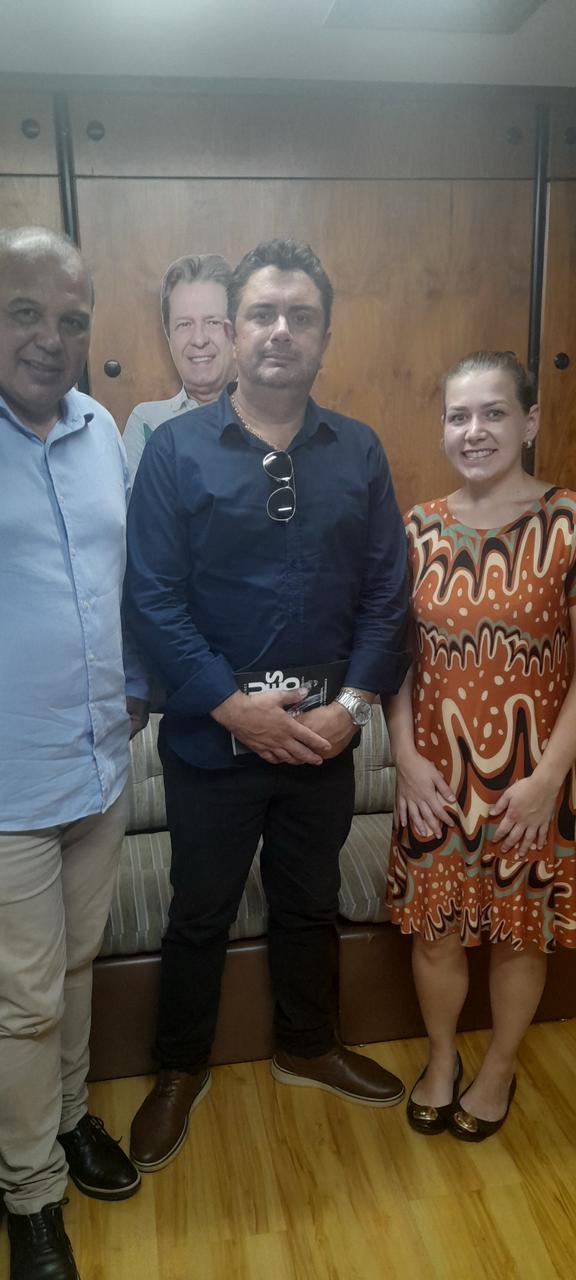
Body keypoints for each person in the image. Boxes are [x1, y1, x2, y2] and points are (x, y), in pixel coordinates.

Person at [123, 238, 411, 1173]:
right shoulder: (174, 452)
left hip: (325, 741)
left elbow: (387, 594)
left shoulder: (359, 450)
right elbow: (152, 598)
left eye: (301, 315)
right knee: (199, 910)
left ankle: (308, 1044)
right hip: (212, 745)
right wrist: (229, 707)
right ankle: (179, 1069)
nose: (280, 330)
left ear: (324, 335)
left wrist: (352, 708)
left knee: (308, 901)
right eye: (262, 313)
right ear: (235, 330)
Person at [0, 227, 148, 1280]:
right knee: (27, 1000)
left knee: (80, 964)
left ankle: (65, 1118)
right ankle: (30, 1191)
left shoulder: (101, 431)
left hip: (100, 765)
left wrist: (135, 684)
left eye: (71, 320)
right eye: (25, 313)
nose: (50, 339)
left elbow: (126, 574)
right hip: (7, 787)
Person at [386, 350, 576, 1142]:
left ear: (529, 422)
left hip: (532, 781)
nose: (474, 431)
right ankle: (442, 1060)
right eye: (458, 416)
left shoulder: (567, 522)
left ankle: (498, 1069)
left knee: (518, 933)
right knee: (435, 932)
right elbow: (394, 657)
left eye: (494, 413)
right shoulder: (417, 528)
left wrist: (550, 779)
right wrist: (404, 759)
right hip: (434, 777)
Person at [122, 253, 236, 482]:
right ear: (168, 334)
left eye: (212, 322)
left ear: (236, 331)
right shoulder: (146, 422)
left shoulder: (267, 416)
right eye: (184, 324)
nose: (199, 339)